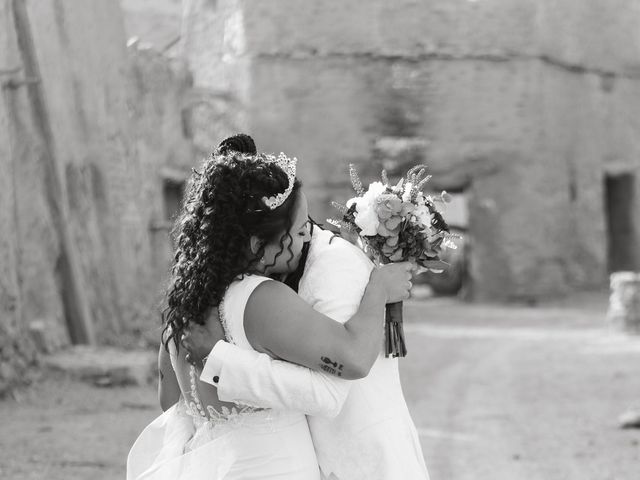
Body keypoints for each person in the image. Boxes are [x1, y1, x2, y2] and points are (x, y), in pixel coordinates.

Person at [126, 145, 413, 480]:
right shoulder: (262, 299)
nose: (309, 235)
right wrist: (377, 287)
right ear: (256, 244)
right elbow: (351, 363)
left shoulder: (184, 297)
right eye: (297, 230)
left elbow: (171, 399)